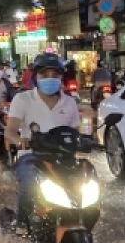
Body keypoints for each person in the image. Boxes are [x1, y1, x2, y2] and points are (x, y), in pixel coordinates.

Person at [5, 54, 83, 221]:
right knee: (29, 184)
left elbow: (76, 131)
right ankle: (22, 223)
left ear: (61, 78)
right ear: (35, 77)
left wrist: (84, 142)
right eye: (44, 75)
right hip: (32, 156)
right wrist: (20, 141)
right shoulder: (22, 99)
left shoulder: (69, 102)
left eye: (55, 75)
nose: (50, 79)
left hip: (64, 158)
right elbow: (10, 131)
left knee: (86, 180)